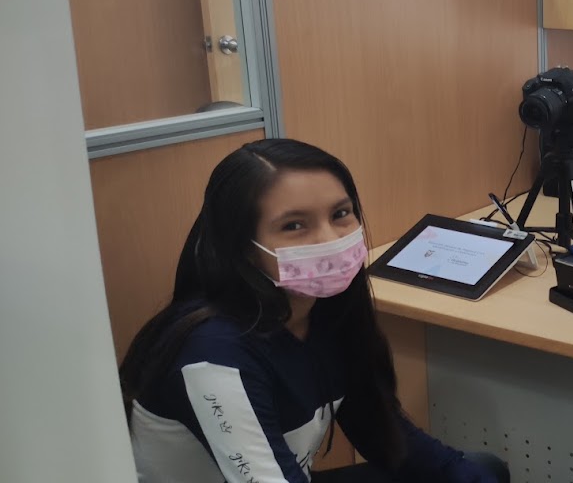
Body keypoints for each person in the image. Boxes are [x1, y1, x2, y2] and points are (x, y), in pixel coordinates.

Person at [119, 139, 509, 483]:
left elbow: (382, 432)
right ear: (242, 247)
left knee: (479, 470)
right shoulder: (214, 353)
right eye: (294, 225)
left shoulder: (326, 313)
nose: (328, 238)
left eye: (340, 214)